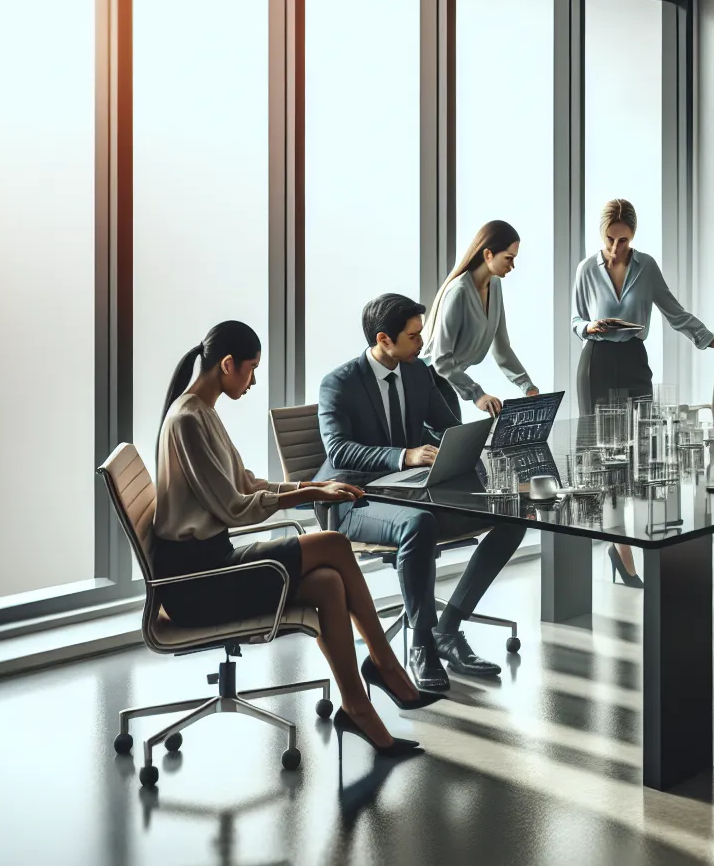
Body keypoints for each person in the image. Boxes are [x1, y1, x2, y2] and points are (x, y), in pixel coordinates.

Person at [150, 321, 427, 757]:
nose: (253, 381)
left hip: (213, 563)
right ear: (228, 365)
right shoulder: (188, 420)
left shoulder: (202, 412)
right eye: (251, 369)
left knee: (329, 584)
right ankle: (385, 665)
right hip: (196, 583)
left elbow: (245, 483)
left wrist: (311, 487)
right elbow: (235, 508)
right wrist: (312, 493)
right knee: (334, 544)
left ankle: (357, 707)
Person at [317, 293, 528, 692]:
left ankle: (448, 628)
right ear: (384, 339)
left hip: (411, 494)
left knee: (510, 514)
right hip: (353, 498)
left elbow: (449, 429)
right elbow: (339, 450)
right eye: (414, 336)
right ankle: (423, 644)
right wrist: (404, 456)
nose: (422, 343)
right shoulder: (339, 383)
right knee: (419, 524)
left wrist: (483, 457)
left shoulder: (417, 373)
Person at [572, 197, 714, 586]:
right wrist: (588, 327)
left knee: (641, 455)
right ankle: (621, 548)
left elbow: (677, 314)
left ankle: (640, 540)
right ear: (601, 234)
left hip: (634, 362)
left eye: (623, 240)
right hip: (596, 364)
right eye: (610, 239)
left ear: (633, 236)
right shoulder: (586, 269)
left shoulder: (646, 268)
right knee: (604, 461)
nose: (615, 248)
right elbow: (575, 318)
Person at [426, 219, 539, 418]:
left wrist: (527, 386)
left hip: (449, 381)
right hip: (427, 379)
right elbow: (441, 360)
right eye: (508, 258)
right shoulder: (459, 291)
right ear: (488, 254)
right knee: (451, 435)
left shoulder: (494, 285)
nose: (512, 266)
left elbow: (501, 346)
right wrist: (477, 394)